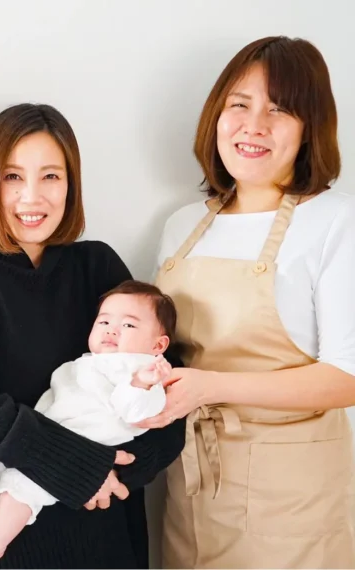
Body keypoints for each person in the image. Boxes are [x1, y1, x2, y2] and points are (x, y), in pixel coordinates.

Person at [0, 103, 185, 569]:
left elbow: (169, 382)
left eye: (50, 176)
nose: (32, 197)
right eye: (12, 177)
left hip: (102, 538)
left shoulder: (98, 267)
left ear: (70, 185)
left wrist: (118, 475)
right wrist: (78, 468)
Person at [140, 36, 355, 568]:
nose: (253, 125)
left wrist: (210, 387)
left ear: (309, 128)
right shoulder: (183, 225)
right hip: (193, 484)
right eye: (240, 104)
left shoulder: (335, 221)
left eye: (278, 110)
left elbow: (346, 377)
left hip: (294, 502)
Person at [0, 280, 177, 562]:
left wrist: (141, 383)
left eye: (128, 325)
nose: (111, 330)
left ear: (158, 344)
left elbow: (138, 414)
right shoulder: (96, 360)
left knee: (21, 487)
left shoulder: (142, 370)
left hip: (76, 449)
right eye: (104, 321)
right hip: (44, 437)